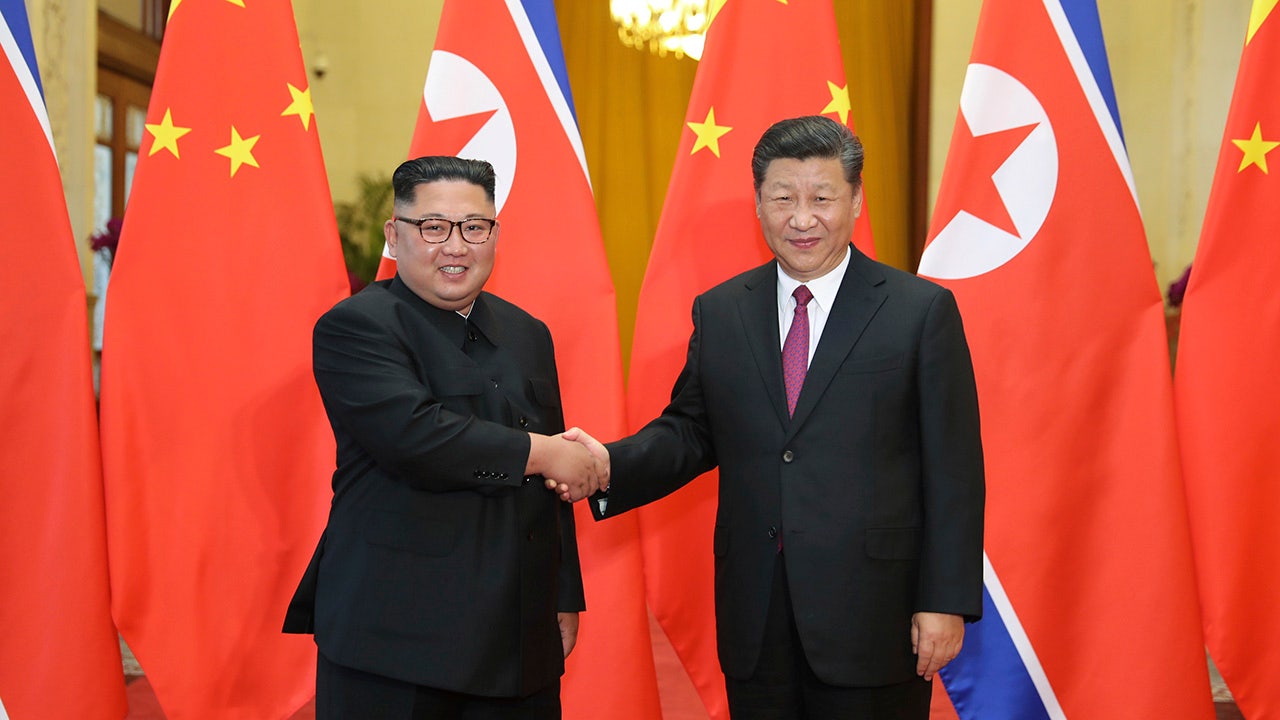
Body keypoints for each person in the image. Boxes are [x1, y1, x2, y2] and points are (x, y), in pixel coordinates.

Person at [556, 115, 985, 719]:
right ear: (758, 203)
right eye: (783, 198)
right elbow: (691, 431)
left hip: (874, 615)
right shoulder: (723, 311)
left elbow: (954, 471)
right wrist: (607, 464)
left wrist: (944, 600)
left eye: (822, 198)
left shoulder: (919, 312)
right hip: (756, 615)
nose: (802, 219)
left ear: (855, 200)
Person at [284, 155, 604, 719]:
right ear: (394, 235)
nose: (455, 247)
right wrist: (542, 452)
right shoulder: (356, 326)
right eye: (433, 227)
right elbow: (416, 438)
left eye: (474, 227)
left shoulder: (528, 333)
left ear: (495, 235)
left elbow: (552, 490)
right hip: (397, 642)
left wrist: (562, 594)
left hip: (518, 637)